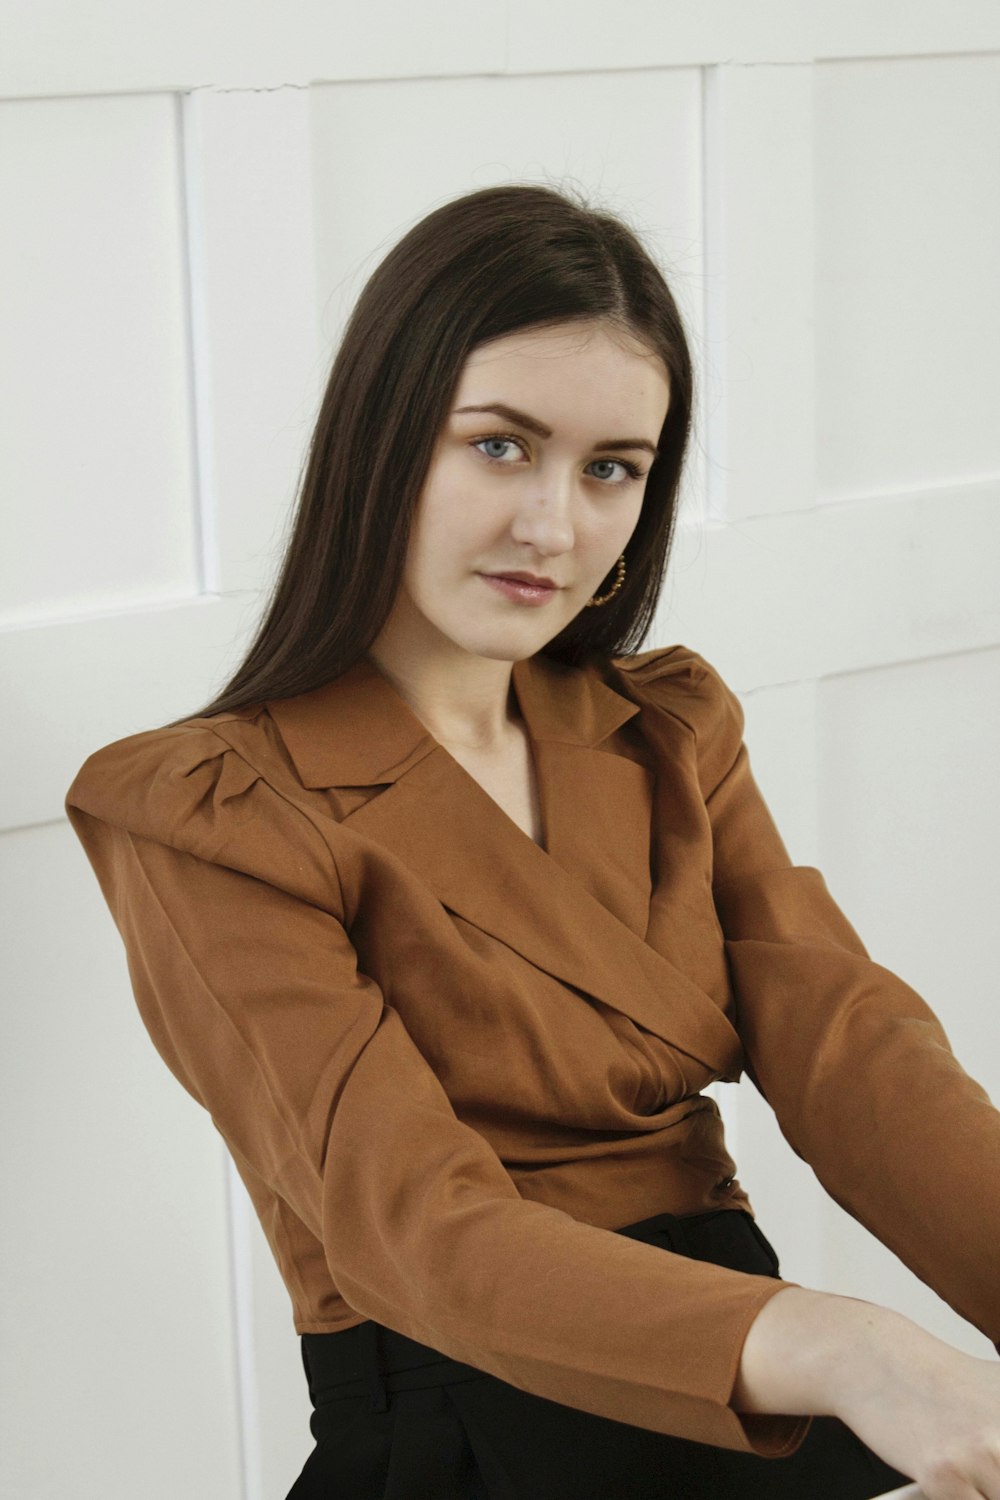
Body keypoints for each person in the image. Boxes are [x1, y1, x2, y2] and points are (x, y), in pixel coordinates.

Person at [64, 183, 1000, 1500]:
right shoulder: (206, 809)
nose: (554, 526)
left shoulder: (670, 730)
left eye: (612, 467)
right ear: (382, 442)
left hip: (751, 1398)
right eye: (500, 446)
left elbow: (857, 1056)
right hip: (476, 1431)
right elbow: (416, 1233)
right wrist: (851, 1348)